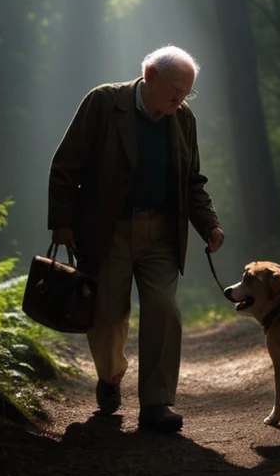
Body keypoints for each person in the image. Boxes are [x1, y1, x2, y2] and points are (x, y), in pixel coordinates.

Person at [48, 45, 225, 433]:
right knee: (108, 316)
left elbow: (193, 180)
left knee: (164, 309)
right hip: (109, 230)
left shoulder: (183, 120)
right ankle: (110, 379)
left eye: (187, 92)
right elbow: (65, 166)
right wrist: (62, 224)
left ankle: (157, 404)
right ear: (150, 76)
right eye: (175, 89)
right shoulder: (104, 103)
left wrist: (209, 224)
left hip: (162, 231)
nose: (180, 98)